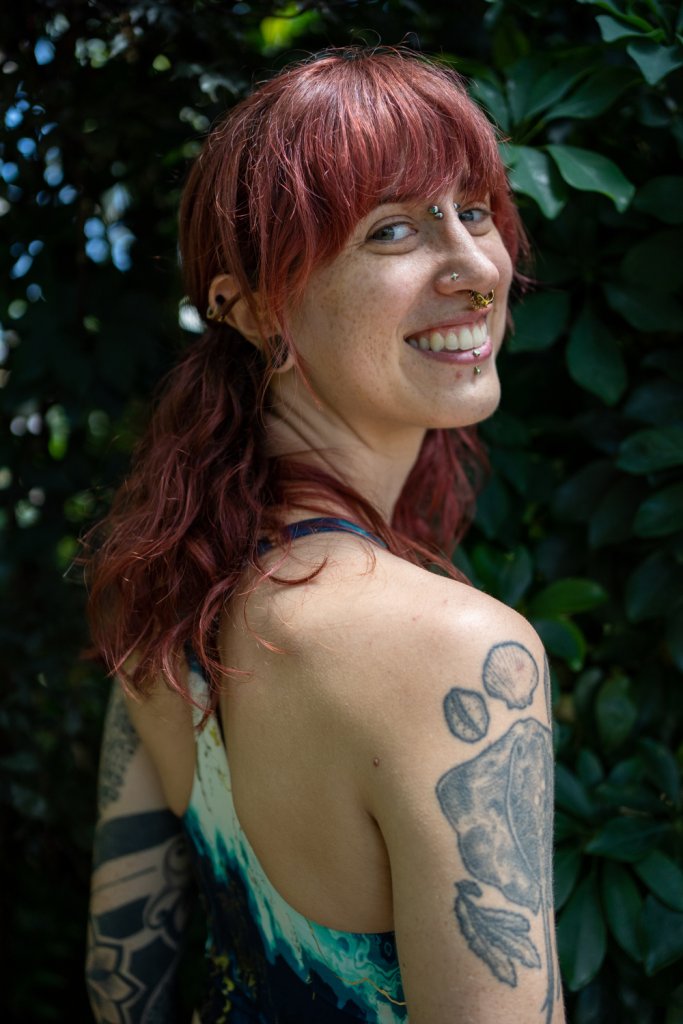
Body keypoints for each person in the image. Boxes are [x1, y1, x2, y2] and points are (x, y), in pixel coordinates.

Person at [84, 46, 565, 1024]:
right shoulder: (455, 652)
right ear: (253, 308)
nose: (478, 270)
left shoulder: (163, 603)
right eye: (393, 229)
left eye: (474, 211)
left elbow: (120, 978)